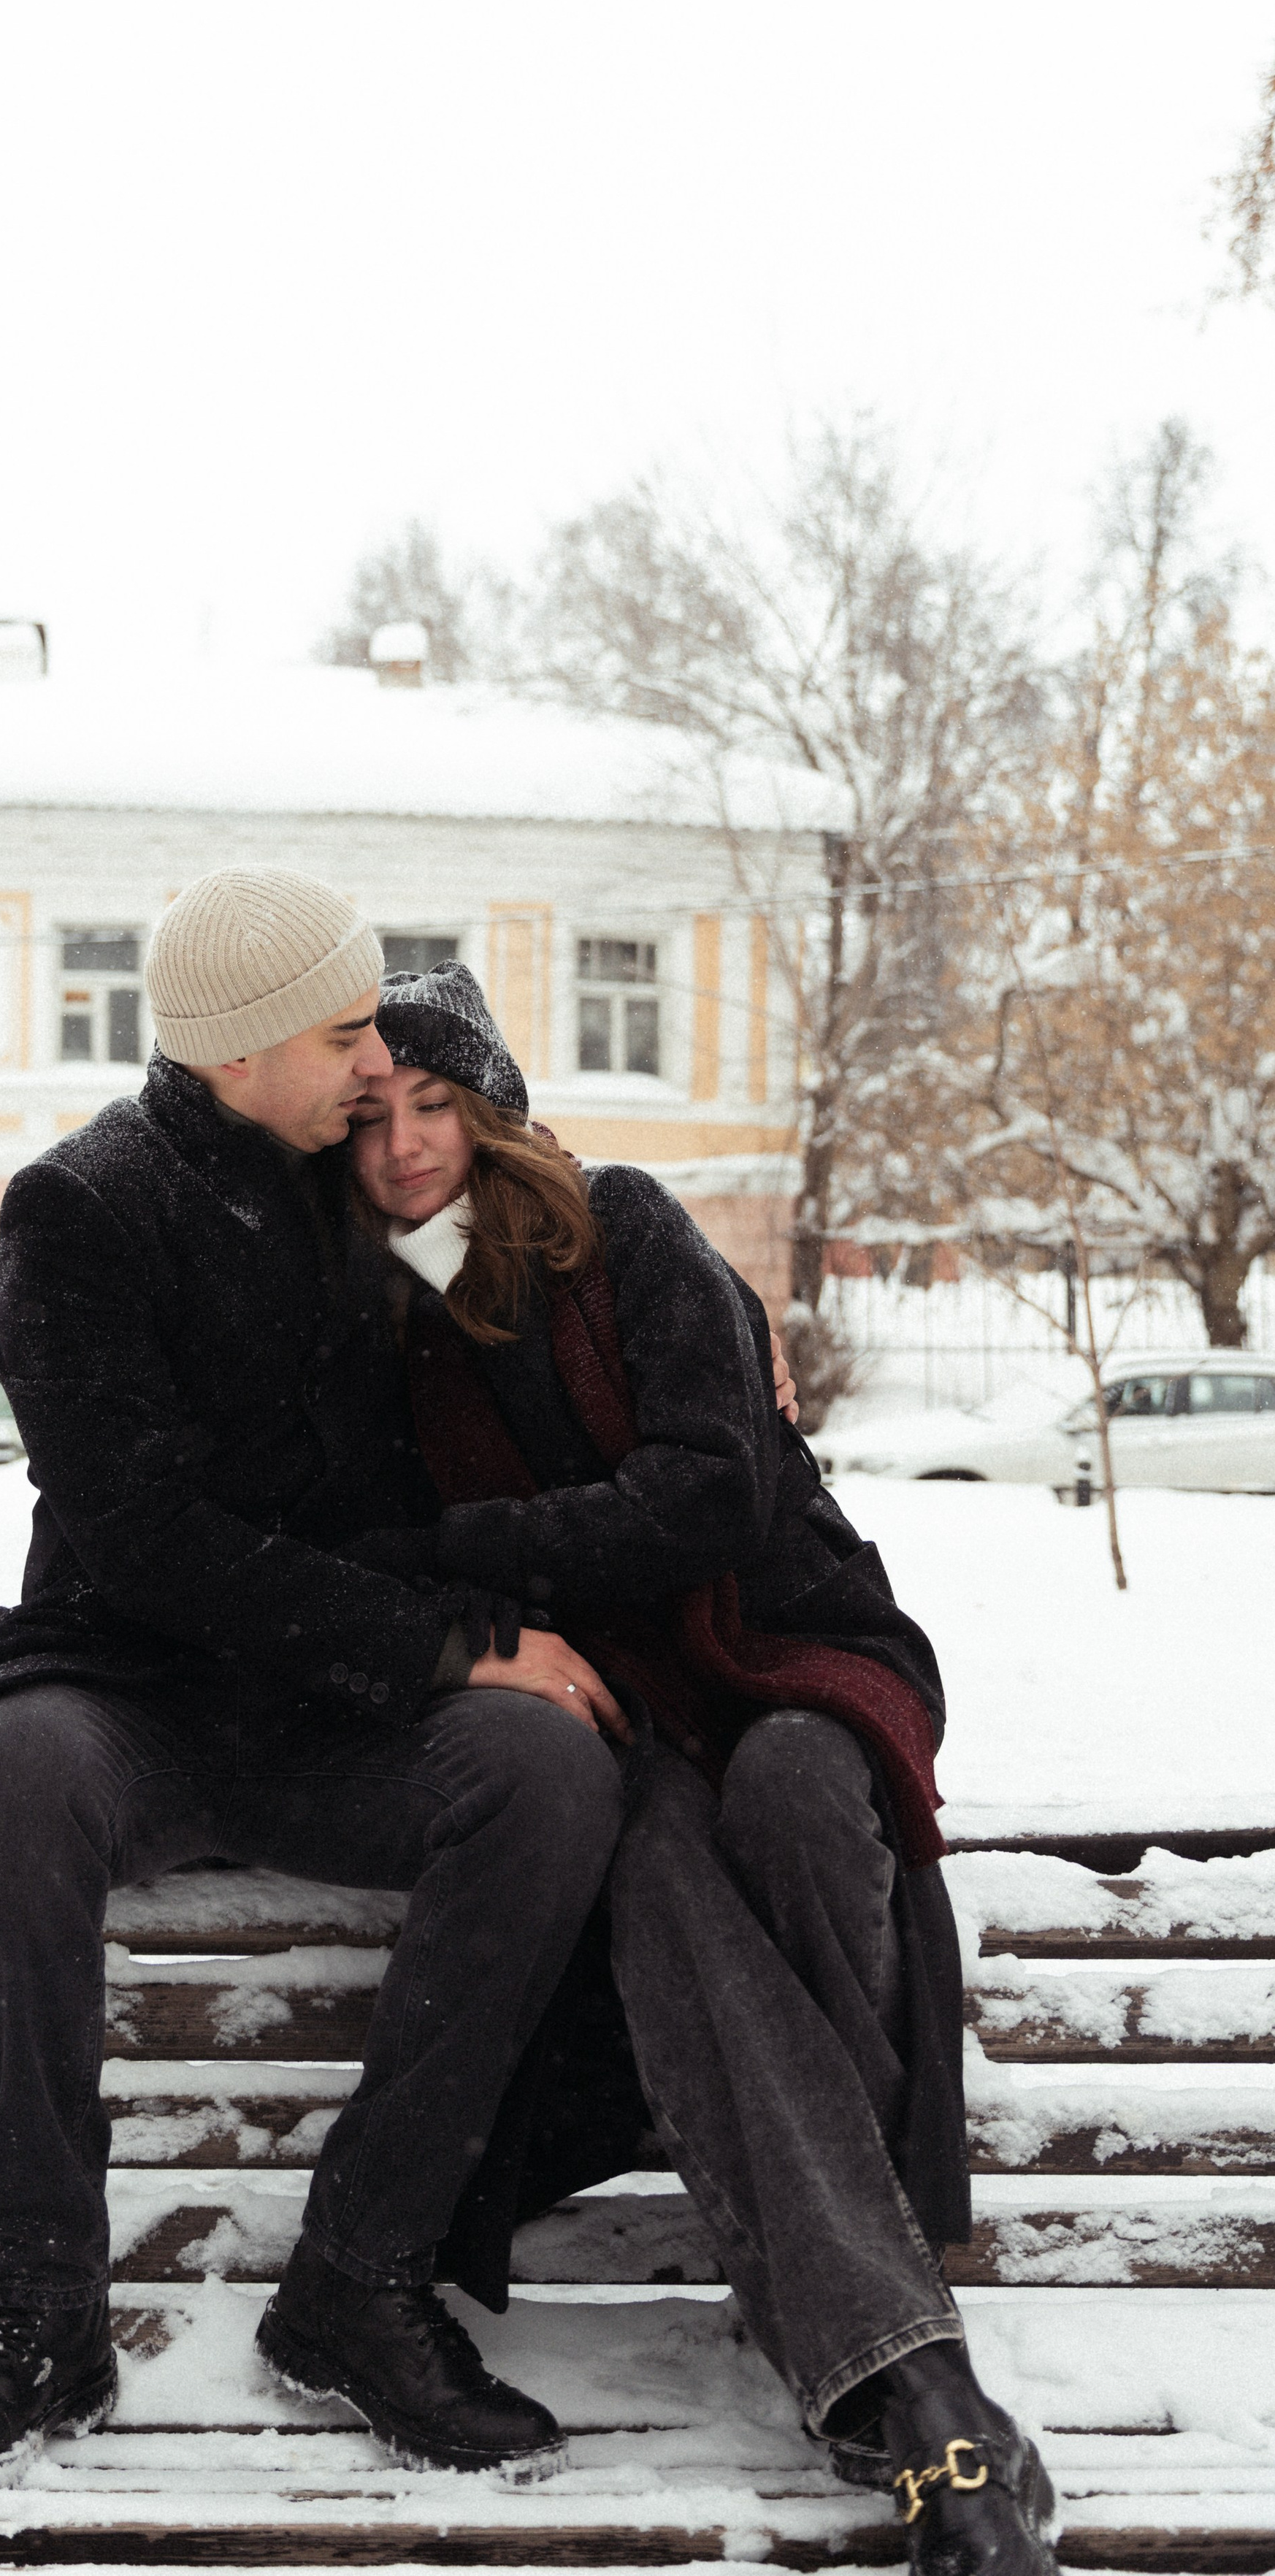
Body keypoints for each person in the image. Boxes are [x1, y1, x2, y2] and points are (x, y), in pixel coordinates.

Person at [0, 871, 633, 2502]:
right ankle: (41, 2310)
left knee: (547, 1770)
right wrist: (447, 1641)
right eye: (347, 1030)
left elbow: (541, 1291)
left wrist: (705, 1336)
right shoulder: (79, 1207)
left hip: (334, 1720)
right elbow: (143, 1540)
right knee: (1, 1773)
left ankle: (358, 2281)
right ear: (237, 1046)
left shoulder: (365, 1191)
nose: (377, 1064)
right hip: (128, 1689)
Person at [340, 960, 1055, 2576]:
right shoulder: (376, 1328)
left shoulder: (627, 1230)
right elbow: (386, 1562)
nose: (403, 1148)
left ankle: (855, 2310)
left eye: (435, 1103)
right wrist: (491, 1578)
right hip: (614, 1706)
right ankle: (915, 2386)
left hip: (790, 1646)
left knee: (797, 1796)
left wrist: (469, 1542)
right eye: (370, 1116)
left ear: (495, 1106)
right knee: (655, 1855)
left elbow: (713, 1495)